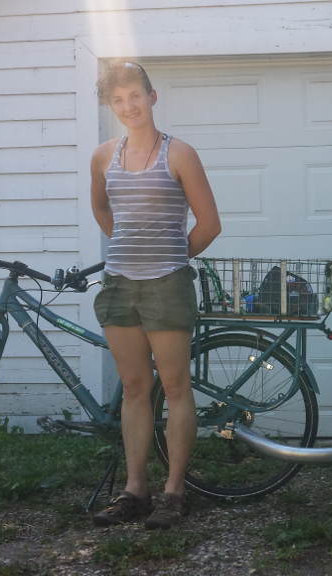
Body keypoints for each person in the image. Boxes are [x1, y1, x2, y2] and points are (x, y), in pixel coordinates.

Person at [89, 60, 221, 529]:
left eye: (135, 96)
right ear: (111, 105)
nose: (128, 106)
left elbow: (209, 225)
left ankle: (174, 492)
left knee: (175, 387)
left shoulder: (179, 153)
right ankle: (135, 491)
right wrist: (130, 247)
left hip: (167, 283)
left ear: (152, 97)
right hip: (120, 284)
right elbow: (103, 209)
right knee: (133, 388)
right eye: (118, 100)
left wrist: (168, 255)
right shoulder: (104, 155)